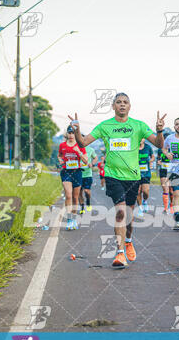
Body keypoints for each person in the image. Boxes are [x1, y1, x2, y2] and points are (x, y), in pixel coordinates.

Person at [71, 92, 165, 268]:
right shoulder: (105, 126)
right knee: (120, 212)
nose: (122, 105)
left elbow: (159, 144)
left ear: (130, 107)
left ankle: (128, 240)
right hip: (113, 176)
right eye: (119, 102)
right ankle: (120, 253)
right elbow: (83, 143)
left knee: (128, 216)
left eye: (125, 102)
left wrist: (159, 130)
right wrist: (77, 131)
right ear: (113, 106)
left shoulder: (138, 126)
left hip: (133, 177)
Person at [58, 126, 88, 230]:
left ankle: (74, 218)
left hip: (77, 173)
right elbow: (60, 155)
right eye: (69, 133)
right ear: (67, 134)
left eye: (73, 133)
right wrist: (60, 160)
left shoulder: (80, 146)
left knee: (76, 198)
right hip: (66, 172)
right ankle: (69, 220)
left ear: (76, 134)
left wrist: (79, 152)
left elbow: (86, 161)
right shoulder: (62, 145)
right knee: (68, 195)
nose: (71, 135)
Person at [136, 138, 155, 217]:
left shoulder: (148, 147)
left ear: (144, 139)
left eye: (142, 137)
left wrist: (151, 161)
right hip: (136, 173)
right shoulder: (134, 147)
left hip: (146, 173)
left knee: (145, 191)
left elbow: (153, 157)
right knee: (137, 192)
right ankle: (140, 209)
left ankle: (145, 201)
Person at [78, 141, 98, 213]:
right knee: (79, 192)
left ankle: (88, 202)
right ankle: (82, 207)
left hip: (88, 174)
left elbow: (95, 158)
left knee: (87, 191)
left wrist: (92, 164)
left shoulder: (90, 149)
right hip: (78, 174)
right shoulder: (76, 149)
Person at [156, 147, 172, 212]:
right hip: (163, 170)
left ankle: (172, 205)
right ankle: (165, 208)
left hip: (171, 171)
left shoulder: (173, 149)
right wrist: (158, 162)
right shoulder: (160, 150)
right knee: (165, 188)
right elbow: (158, 158)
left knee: (171, 191)